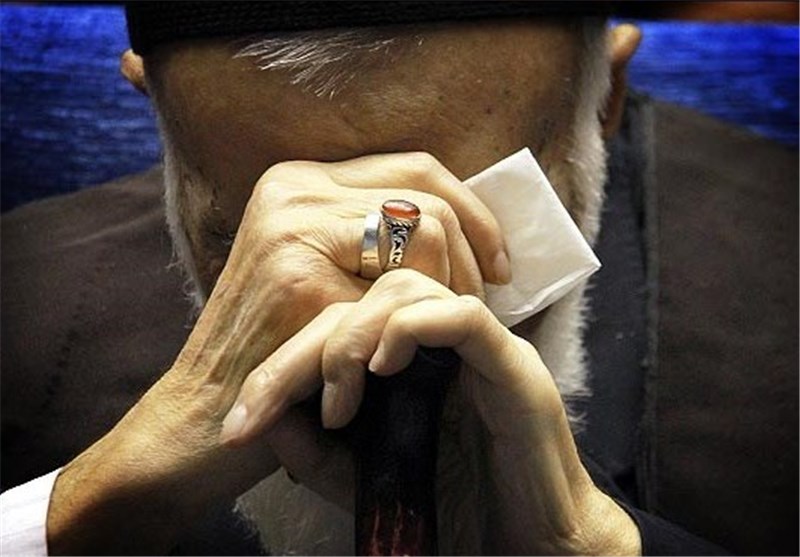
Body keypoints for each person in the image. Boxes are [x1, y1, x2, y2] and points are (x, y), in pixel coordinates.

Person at [2, 2, 794, 555]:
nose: (373, 342)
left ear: (604, 100)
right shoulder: (24, 320)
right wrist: (80, 513)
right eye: (249, 239)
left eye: (466, 225)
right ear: (160, 114)